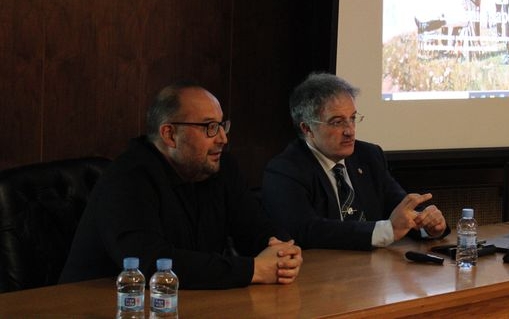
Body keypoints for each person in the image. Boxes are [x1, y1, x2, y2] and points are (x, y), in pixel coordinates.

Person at [59, 82, 302, 289]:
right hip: (101, 306)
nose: (222, 139)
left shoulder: (221, 167)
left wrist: (283, 253)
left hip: (184, 302)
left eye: (221, 125)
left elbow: (255, 227)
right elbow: (151, 262)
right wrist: (254, 270)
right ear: (169, 135)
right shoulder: (127, 179)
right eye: (209, 127)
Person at [261, 72, 449, 250]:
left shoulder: (368, 156)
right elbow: (306, 231)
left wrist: (427, 223)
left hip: (373, 272)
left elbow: (400, 207)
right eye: (337, 122)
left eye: (352, 118)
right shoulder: (285, 170)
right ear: (307, 129)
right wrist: (387, 230)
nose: (350, 130)